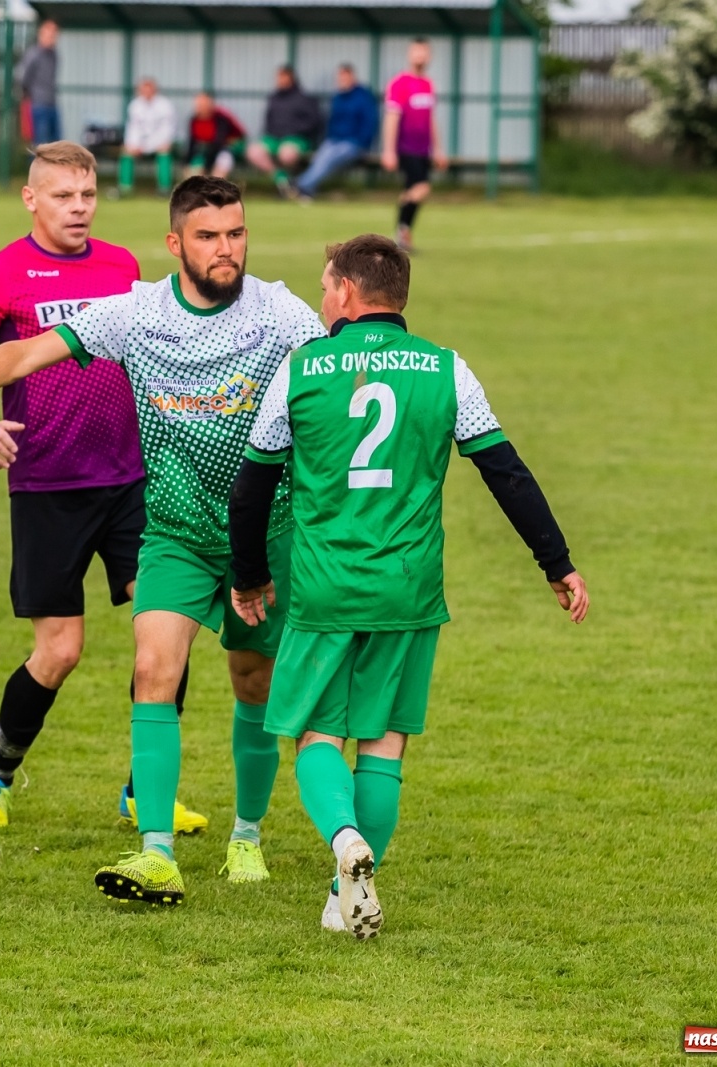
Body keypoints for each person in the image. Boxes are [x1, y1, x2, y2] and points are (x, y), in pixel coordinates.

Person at [0, 177, 330, 904]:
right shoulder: (136, 312)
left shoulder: (281, 311)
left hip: (264, 535)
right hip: (174, 533)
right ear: (175, 244)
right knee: (154, 664)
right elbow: (23, 355)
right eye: (208, 236)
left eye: (235, 233)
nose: (225, 249)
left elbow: (336, 379)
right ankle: (156, 851)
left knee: (253, 682)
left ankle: (247, 834)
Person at [227, 234, 589, 939]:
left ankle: (343, 840)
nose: (323, 299)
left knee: (317, 736)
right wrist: (557, 562)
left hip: (327, 588)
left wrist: (248, 576)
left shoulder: (301, 368)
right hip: (408, 588)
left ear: (348, 292)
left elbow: (252, 488)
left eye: (326, 287)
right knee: (385, 741)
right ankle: (342, 898)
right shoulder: (448, 369)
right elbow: (506, 472)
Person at [0, 141, 206, 836]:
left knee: (166, 633)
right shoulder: (3, 273)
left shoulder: (122, 266)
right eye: (63, 196)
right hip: (48, 486)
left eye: (87, 194)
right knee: (60, 651)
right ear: (31, 199)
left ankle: (146, 790)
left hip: (134, 481)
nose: (79, 207)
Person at [381, 39, 448, 252]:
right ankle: (402, 231)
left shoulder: (429, 84)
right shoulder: (399, 83)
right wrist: (389, 150)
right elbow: (391, 118)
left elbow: (431, 119)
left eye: (424, 52)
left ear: (429, 56)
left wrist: (438, 149)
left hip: (423, 149)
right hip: (406, 147)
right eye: (416, 51)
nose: (420, 56)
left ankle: (403, 234)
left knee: (412, 191)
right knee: (422, 188)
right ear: (409, 54)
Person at [293, 63, 378, 200]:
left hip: (354, 144)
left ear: (352, 77)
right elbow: (332, 122)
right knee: (322, 157)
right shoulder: (338, 97)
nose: (342, 81)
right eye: (340, 78)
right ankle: (306, 188)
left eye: (345, 78)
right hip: (334, 141)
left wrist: (362, 142)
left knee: (329, 157)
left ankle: (299, 184)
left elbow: (370, 122)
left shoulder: (363, 97)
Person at [245, 65, 326, 198]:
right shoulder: (274, 98)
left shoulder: (304, 99)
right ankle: (282, 179)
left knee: (286, 153)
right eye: (278, 77)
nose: (279, 80)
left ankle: (292, 186)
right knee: (253, 151)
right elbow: (268, 121)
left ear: (291, 78)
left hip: (296, 139)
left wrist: (294, 130)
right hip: (274, 139)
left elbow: (314, 122)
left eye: (283, 77)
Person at [119, 77, 177, 196]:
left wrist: (153, 145)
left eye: (149, 90)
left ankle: (164, 188)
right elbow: (133, 128)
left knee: (164, 151)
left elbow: (167, 129)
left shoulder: (165, 105)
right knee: (126, 151)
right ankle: (125, 188)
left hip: (159, 143)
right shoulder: (134, 105)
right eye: (143, 90)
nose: (146, 93)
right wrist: (133, 144)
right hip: (140, 144)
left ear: (154, 90)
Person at [16, 20, 61, 147]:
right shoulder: (33, 54)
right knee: (40, 145)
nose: (52, 38)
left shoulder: (54, 55)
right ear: (41, 34)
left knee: (56, 145)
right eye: (49, 34)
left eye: (54, 35)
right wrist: (30, 96)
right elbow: (21, 77)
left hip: (52, 103)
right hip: (37, 105)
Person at [185, 93, 247, 179]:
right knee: (194, 171)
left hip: (227, 149)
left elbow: (219, 142)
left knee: (223, 161)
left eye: (202, 104)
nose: (199, 107)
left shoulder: (221, 117)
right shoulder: (194, 120)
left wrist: (206, 162)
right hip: (207, 150)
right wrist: (188, 163)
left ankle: (216, 183)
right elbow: (192, 142)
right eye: (198, 105)